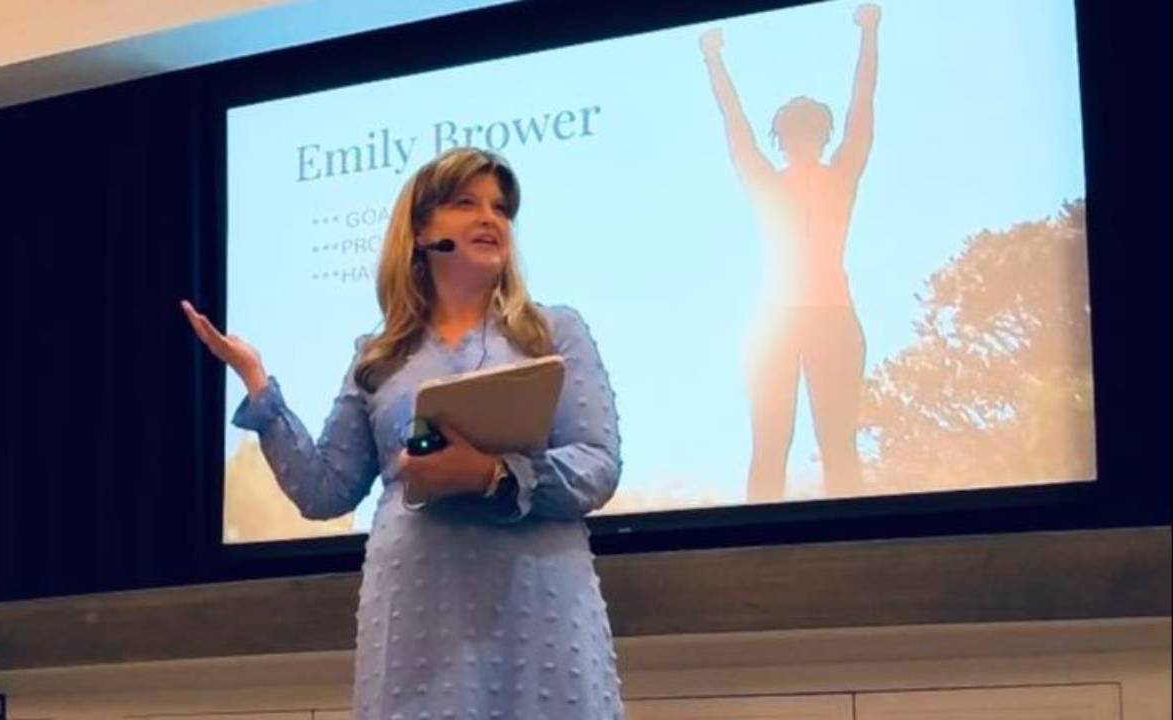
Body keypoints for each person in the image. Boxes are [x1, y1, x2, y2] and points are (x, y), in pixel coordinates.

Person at [182, 147, 624, 718]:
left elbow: (597, 464)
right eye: (465, 203)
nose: (489, 218)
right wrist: (257, 383)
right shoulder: (379, 356)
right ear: (420, 232)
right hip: (419, 612)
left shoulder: (552, 330)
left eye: (500, 207)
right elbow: (324, 492)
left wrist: (491, 475)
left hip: (538, 601)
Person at [700, 4, 881, 503]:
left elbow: (861, 108)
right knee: (772, 446)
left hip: (826, 320)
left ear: (818, 136)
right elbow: (736, 125)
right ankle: (759, 538)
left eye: (809, 131)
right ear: (786, 138)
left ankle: (849, 535)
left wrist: (871, 34)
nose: (804, 139)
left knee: (834, 445)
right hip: (780, 323)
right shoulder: (780, 182)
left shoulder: (835, 176)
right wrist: (713, 61)